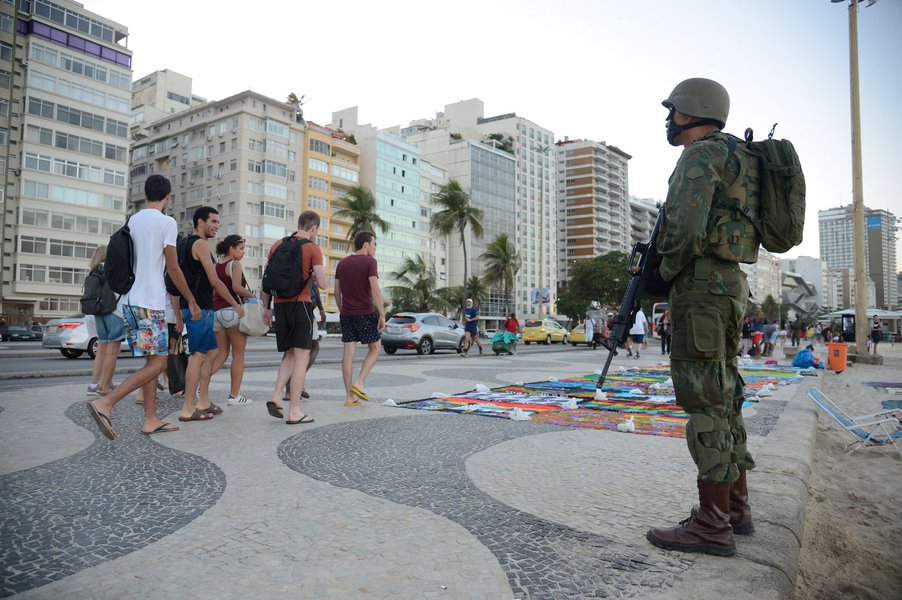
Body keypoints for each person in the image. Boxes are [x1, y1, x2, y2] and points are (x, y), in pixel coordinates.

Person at [643, 78, 758, 557]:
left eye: (673, 111)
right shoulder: (740, 156)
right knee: (725, 391)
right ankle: (734, 508)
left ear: (692, 112)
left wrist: (663, 272)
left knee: (704, 399)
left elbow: (686, 227)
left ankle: (712, 524)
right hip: (730, 286)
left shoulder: (699, 155)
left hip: (702, 288)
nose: (669, 120)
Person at [86, 174, 201, 439]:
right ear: (168, 197)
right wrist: (190, 300)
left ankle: (150, 419)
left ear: (145, 194)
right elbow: (173, 266)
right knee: (159, 364)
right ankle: (105, 403)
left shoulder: (133, 220)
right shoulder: (166, 222)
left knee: (152, 359)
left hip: (129, 301)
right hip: (150, 303)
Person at [178, 207, 245, 422]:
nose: (217, 226)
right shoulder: (199, 244)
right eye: (213, 221)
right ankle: (188, 408)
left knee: (213, 351)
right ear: (200, 222)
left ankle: (204, 400)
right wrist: (235, 304)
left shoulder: (185, 243)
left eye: (218, 222)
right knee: (197, 355)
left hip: (201, 307)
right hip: (199, 309)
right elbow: (214, 281)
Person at [261, 211, 326, 424]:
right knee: (301, 357)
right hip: (301, 305)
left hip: (280, 306)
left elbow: (267, 278)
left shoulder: (277, 245)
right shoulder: (312, 248)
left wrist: (266, 308)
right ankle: (295, 411)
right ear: (313, 228)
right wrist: (314, 274)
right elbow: (324, 284)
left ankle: (276, 396)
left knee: (289, 354)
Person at [334, 231, 385, 406]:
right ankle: (359, 382)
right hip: (364, 313)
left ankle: (349, 397)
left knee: (348, 354)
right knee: (376, 347)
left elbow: (336, 292)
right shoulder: (370, 262)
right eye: (374, 244)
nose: (375, 248)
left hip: (347, 314)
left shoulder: (342, 263)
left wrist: (343, 311)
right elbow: (375, 289)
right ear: (366, 245)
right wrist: (382, 314)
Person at [209, 234, 256, 406]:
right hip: (233, 311)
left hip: (217, 312)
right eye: (241, 248)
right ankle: (234, 396)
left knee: (221, 354)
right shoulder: (235, 264)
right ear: (232, 248)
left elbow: (214, 292)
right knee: (239, 355)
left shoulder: (216, 266)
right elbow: (237, 287)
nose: (243, 252)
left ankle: (198, 385)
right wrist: (253, 296)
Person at [85, 245, 126, 397]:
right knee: (113, 350)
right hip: (114, 311)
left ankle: (94, 384)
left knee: (102, 348)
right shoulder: (113, 269)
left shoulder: (94, 272)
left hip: (98, 312)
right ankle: (105, 385)